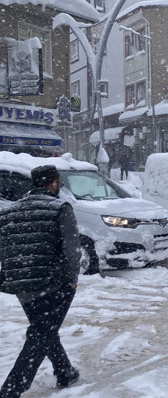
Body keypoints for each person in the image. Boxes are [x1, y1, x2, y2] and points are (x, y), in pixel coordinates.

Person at [0, 165, 81, 398]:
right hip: (53, 283)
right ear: (53, 183)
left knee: (44, 328)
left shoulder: (8, 212)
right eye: (59, 182)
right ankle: (12, 388)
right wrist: (72, 279)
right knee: (42, 333)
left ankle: (64, 371)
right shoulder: (60, 208)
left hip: (21, 284)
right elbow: (71, 249)